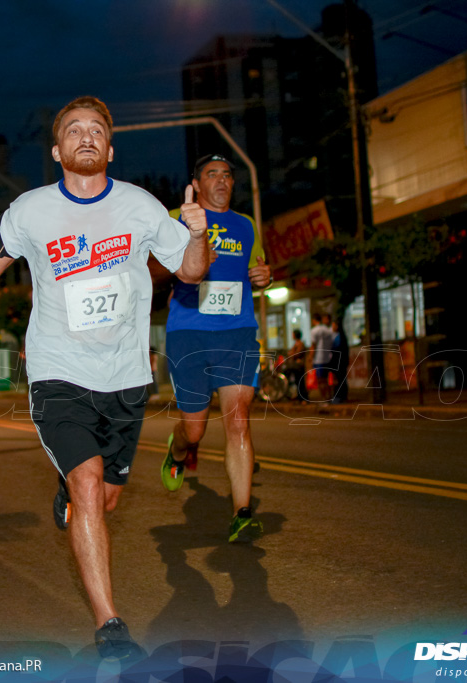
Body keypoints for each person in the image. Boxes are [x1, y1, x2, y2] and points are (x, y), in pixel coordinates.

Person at [0, 96, 209, 659]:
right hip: (58, 371)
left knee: (106, 497)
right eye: (74, 130)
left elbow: (191, 271)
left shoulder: (142, 207)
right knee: (90, 483)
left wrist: (195, 234)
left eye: (97, 129)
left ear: (111, 148)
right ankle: (110, 626)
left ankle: (70, 488)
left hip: (125, 375)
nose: (87, 136)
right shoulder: (31, 210)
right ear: (58, 150)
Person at [158, 153, 272, 543]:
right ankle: (178, 450)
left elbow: (258, 268)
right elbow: (154, 267)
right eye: (212, 174)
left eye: (227, 174)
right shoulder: (178, 215)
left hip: (237, 330)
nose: (221, 181)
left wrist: (263, 276)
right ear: (197, 181)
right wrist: (190, 258)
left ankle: (242, 512)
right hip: (188, 331)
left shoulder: (246, 225)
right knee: (195, 429)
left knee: (238, 420)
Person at [308, 313, 334, 402]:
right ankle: (329, 396)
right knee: (327, 379)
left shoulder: (314, 330)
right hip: (328, 357)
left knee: (321, 380)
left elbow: (313, 346)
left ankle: (324, 398)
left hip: (319, 358)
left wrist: (310, 357)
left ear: (314, 320)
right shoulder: (328, 330)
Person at [285, 329, 308, 404]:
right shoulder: (296, 343)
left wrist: (291, 354)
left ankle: (303, 398)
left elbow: (296, 354)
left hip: (299, 366)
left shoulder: (300, 344)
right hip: (296, 366)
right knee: (297, 381)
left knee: (300, 382)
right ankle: (299, 397)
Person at [331, 316, 350, 404]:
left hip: (339, 362)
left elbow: (337, 350)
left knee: (341, 379)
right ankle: (341, 396)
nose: (332, 327)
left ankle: (340, 396)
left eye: (334, 325)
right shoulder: (339, 336)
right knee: (341, 379)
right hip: (339, 361)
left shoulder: (339, 337)